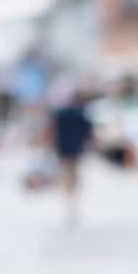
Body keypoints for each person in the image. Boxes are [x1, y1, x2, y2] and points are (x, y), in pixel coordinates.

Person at [50, 90, 93, 225]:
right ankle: (72, 196)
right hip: (76, 150)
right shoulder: (81, 114)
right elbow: (88, 133)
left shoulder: (62, 113)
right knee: (73, 174)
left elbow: (53, 129)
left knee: (66, 174)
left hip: (63, 149)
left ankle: (70, 196)